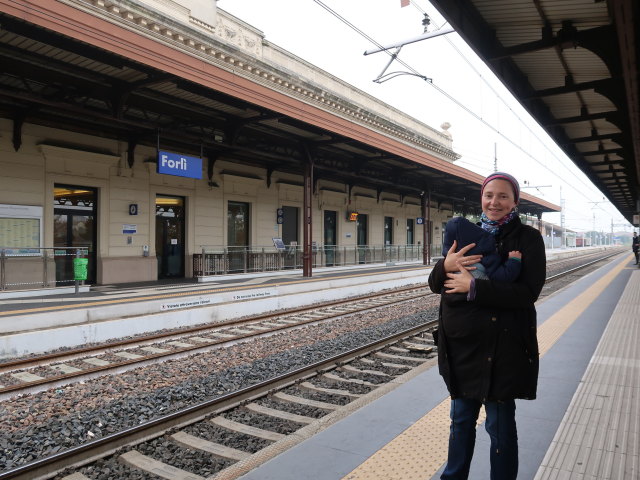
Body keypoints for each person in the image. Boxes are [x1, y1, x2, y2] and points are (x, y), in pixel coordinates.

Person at [428, 172, 546, 480]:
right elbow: (433, 284)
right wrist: (445, 266)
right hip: (463, 346)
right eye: (489, 195)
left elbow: (527, 293)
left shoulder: (528, 239)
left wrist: (475, 287)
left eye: (503, 196)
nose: (494, 202)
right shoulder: (465, 232)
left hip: (504, 349)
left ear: (515, 202)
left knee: (500, 426)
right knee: (460, 420)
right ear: (481, 198)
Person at [443, 216, 522, 282]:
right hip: (481, 299)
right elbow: (503, 277)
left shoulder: (449, 260)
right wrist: (514, 261)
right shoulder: (484, 258)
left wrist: (444, 267)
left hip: (454, 299)